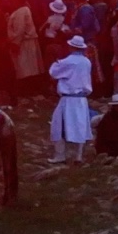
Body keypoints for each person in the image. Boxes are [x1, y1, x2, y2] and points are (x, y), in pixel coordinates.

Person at [46, 36, 93, 164]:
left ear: (71, 47)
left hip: (68, 99)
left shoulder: (67, 62)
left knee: (58, 125)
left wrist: (55, 62)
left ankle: (60, 155)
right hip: (82, 99)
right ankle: (78, 156)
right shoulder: (87, 62)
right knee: (80, 125)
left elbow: (53, 73)